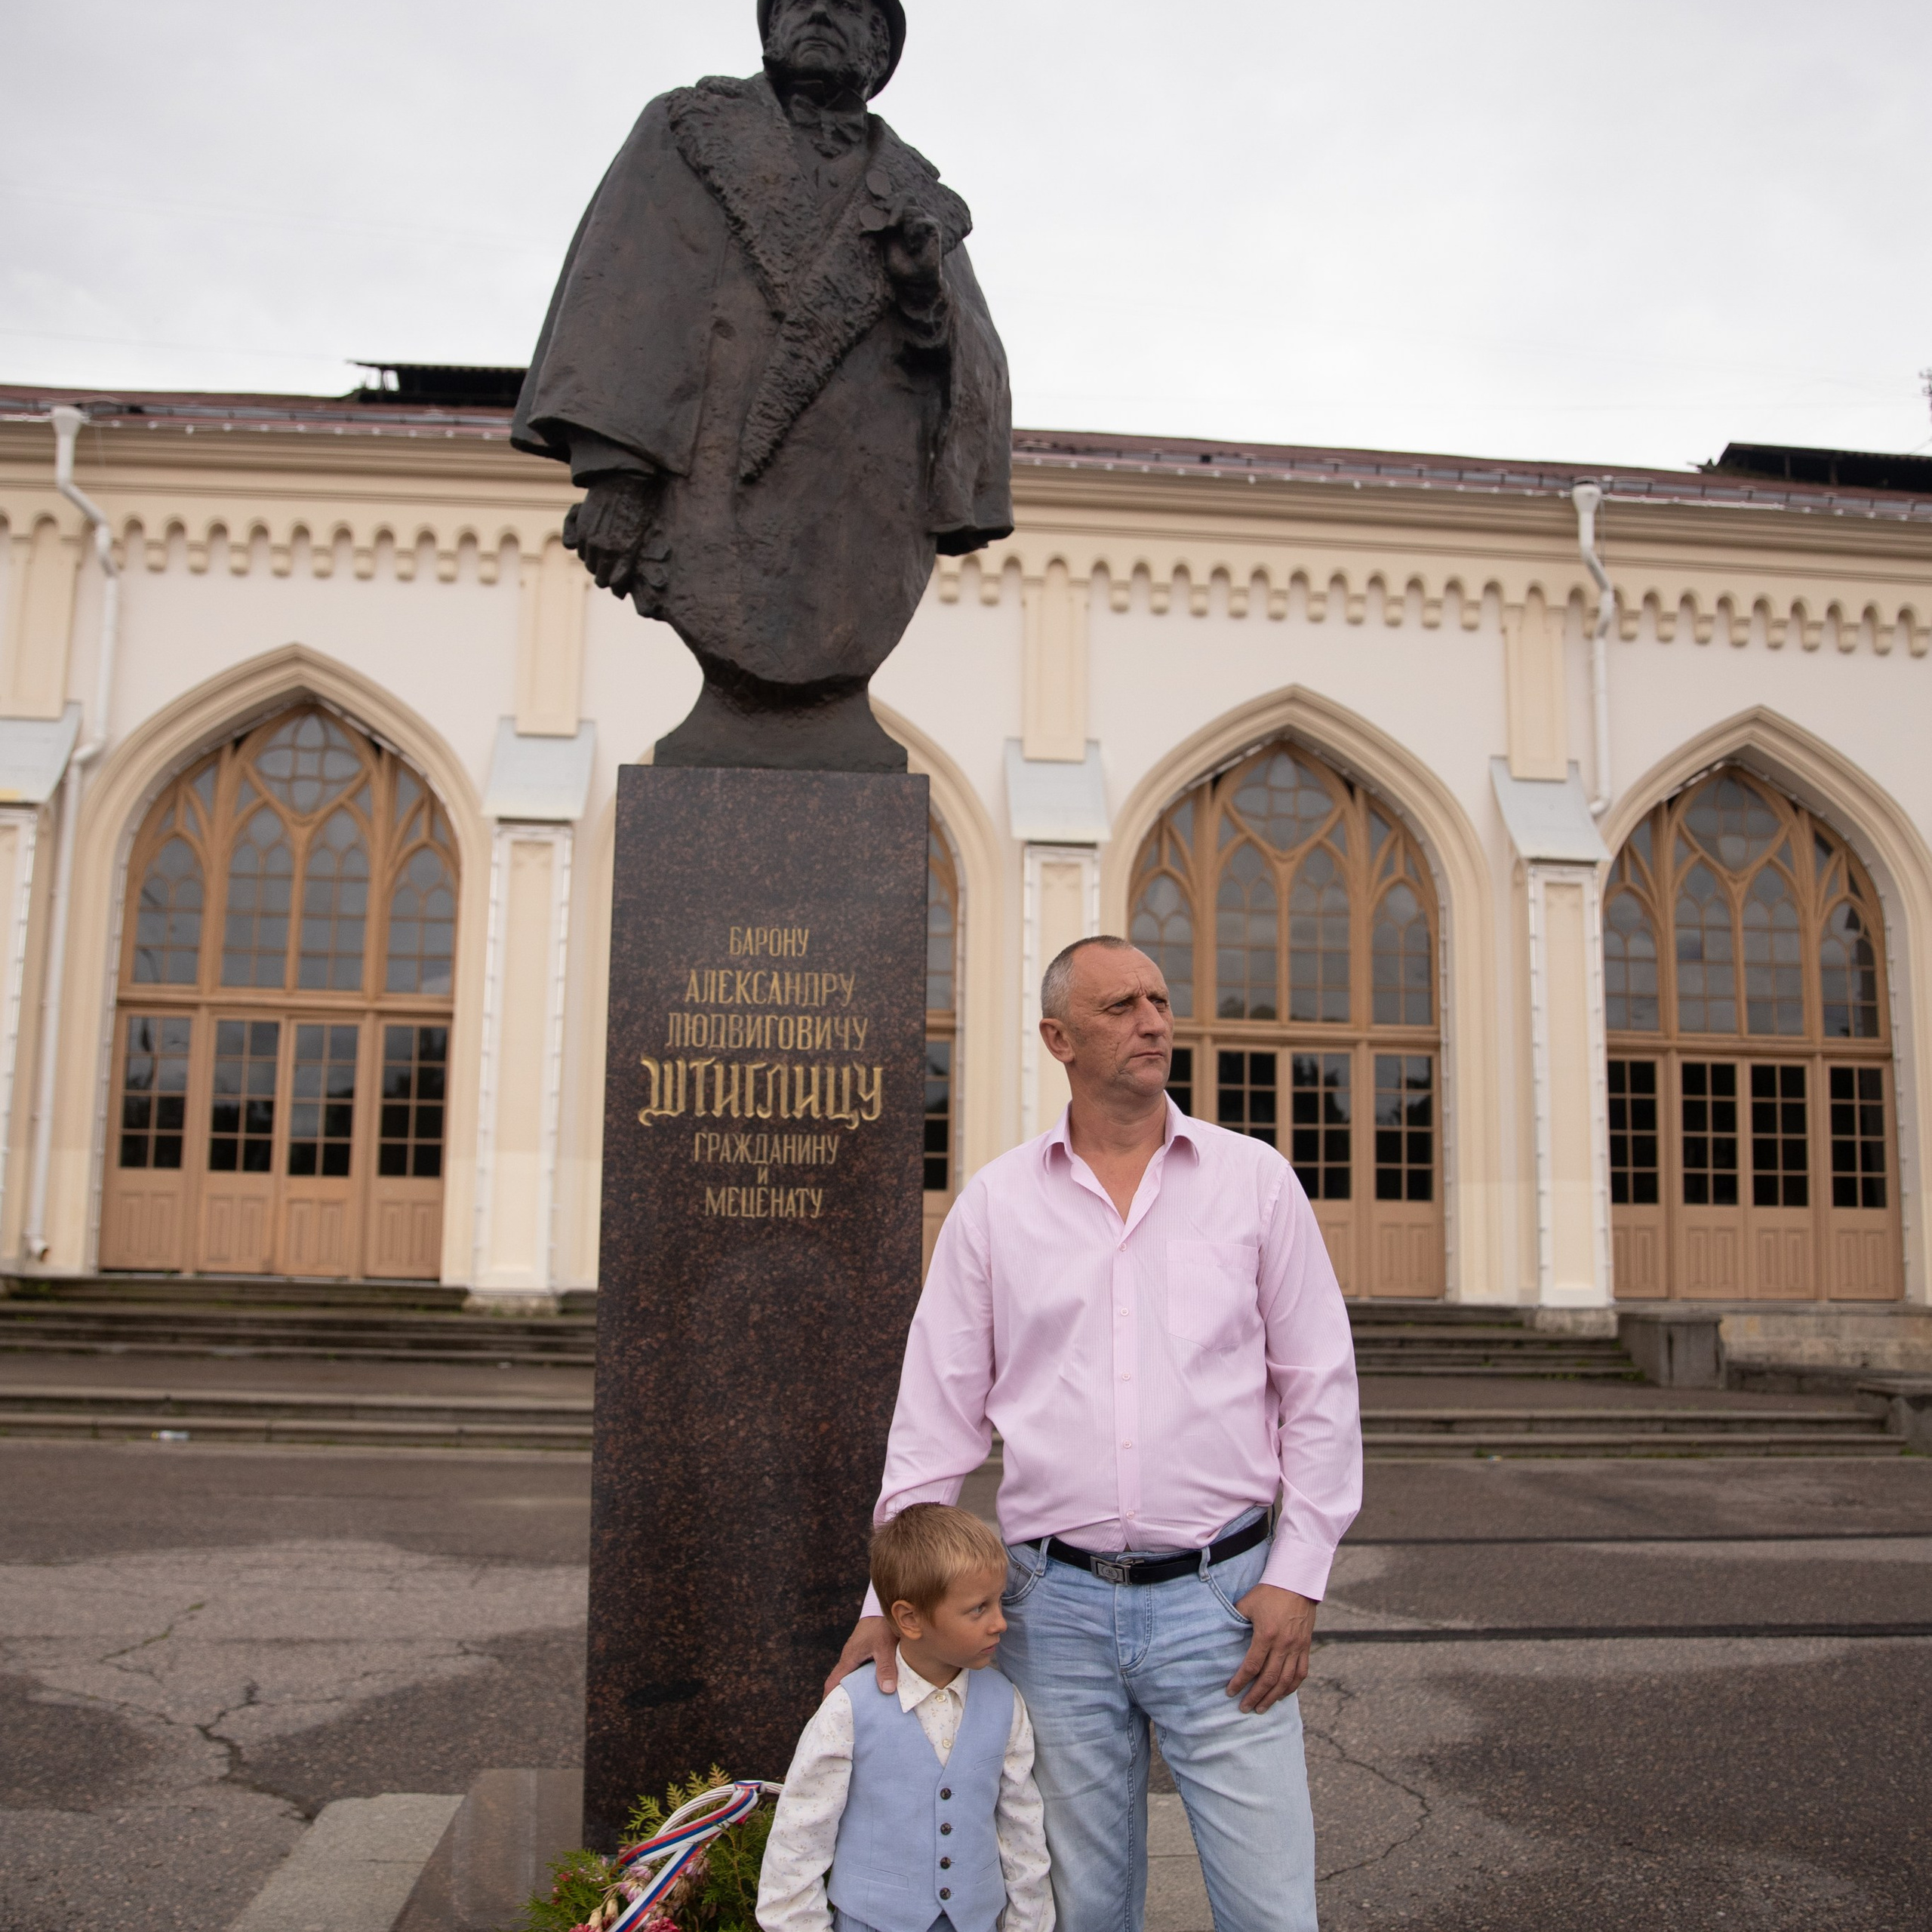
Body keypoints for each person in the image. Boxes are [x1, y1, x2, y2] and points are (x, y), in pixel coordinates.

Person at [824, 937, 1361, 1932]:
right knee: (1079, 1913)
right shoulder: (995, 1206)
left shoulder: (1254, 1182)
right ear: (1058, 1037)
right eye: (1121, 1006)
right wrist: (884, 1599)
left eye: (1159, 1000)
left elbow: (1320, 1387)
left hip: (1229, 1610)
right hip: (1050, 1614)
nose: (1153, 1021)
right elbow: (934, 1424)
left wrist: (1300, 1573)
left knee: (1273, 1912)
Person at [512, 0, 1011, 770]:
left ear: (880, 51)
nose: (817, 11)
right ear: (768, 29)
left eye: (847, 4)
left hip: (858, 514)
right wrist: (617, 472)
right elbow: (624, 292)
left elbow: (976, 364)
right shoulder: (688, 130)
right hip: (711, 485)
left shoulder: (916, 196)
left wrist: (921, 293)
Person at [759, 1503, 1054, 1932]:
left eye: (999, 1603)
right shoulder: (849, 1709)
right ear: (909, 1619)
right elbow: (801, 1832)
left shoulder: (1005, 1703)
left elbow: (1022, 1827)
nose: (1000, 1624)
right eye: (978, 1609)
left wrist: (1029, 1923)